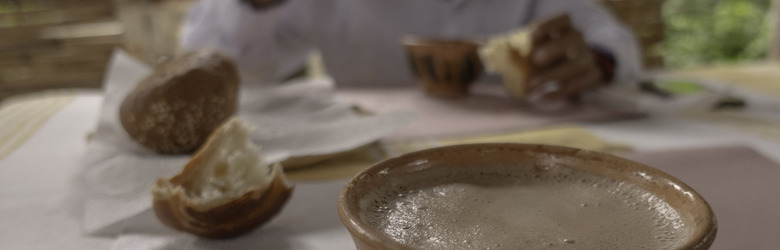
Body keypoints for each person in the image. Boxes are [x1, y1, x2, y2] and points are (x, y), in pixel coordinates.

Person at [180, 0, 642, 102]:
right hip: (366, 160)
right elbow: (221, 66)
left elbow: (610, 36)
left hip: (505, 154)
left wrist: (598, 60)